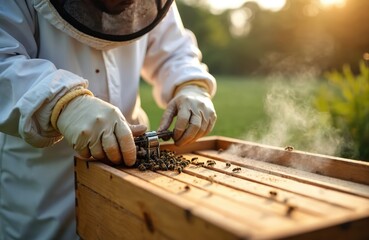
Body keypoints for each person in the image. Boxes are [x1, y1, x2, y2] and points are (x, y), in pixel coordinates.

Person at [0, 0, 217, 239]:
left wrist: (191, 86)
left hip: (129, 192)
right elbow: (4, 60)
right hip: (44, 193)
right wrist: (63, 104)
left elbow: (174, 52)